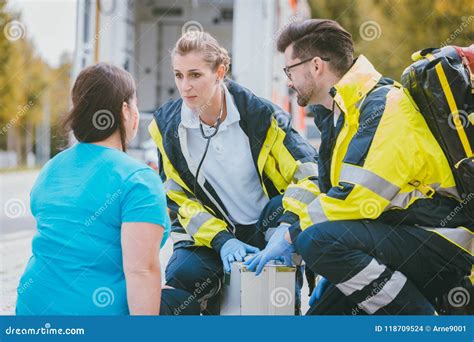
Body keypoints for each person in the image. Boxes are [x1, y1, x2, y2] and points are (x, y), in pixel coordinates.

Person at [246, 19, 473, 315]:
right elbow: (326, 190)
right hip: (399, 236)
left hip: (440, 241)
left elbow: (359, 197)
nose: (287, 80)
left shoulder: (383, 105)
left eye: (289, 70)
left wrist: (292, 236)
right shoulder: (339, 114)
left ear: (316, 66)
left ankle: (422, 323)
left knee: (316, 239)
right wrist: (327, 262)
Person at [148, 32, 318, 314]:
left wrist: (287, 228)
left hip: (268, 226)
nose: (185, 86)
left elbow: (310, 173)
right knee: (183, 273)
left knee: (272, 302)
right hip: (214, 234)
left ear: (220, 72)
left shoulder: (261, 116)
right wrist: (222, 241)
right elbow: (176, 197)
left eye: (195, 75)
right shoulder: (166, 127)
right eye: (178, 75)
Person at [16, 63, 199, 315]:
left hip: (31, 310)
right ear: (125, 110)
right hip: (93, 317)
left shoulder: (52, 168)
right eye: (134, 104)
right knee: (184, 303)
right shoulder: (138, 178)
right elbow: (141, 270)